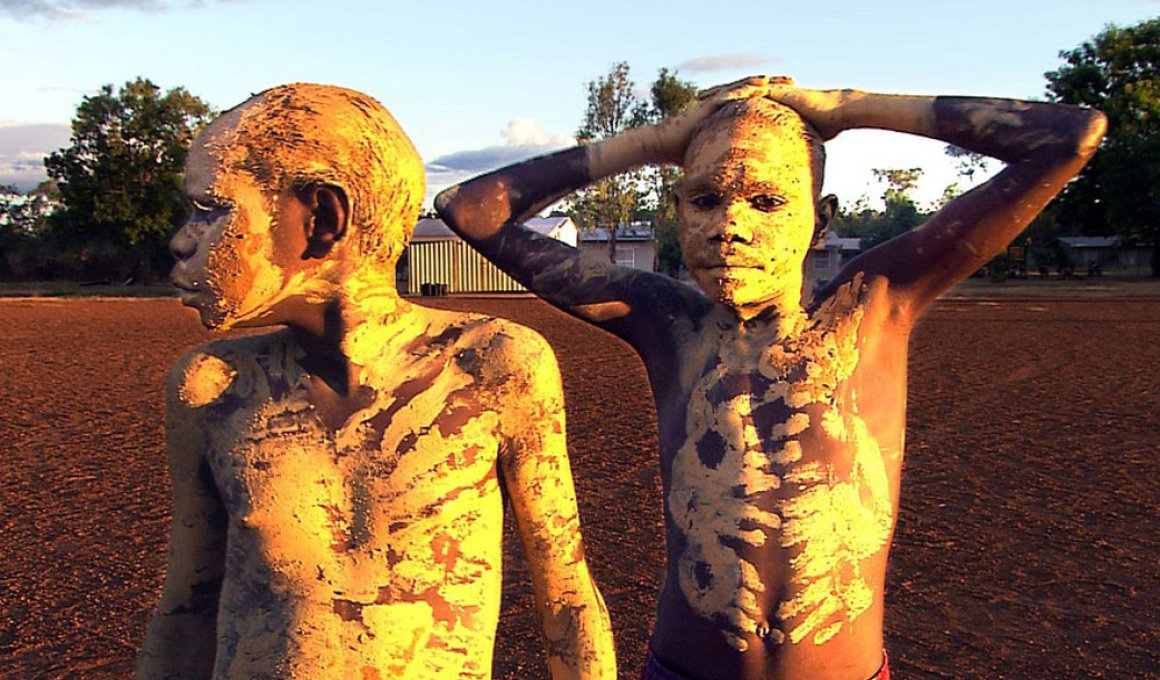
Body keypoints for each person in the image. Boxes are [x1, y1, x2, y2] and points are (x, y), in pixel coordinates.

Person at [435, 78, 1105, 680]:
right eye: (704, 200)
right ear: (678, 213)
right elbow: (469, 209)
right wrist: (659, 139)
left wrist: (848, 108)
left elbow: (1070, 138)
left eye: (766, 201)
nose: (730, 227)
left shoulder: (872, 304)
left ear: (824, 219)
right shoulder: (665, 322)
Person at [137, 83, 615, 680]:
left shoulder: (493, 366)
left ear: (322, 216)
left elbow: (567, 602)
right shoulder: (211, 388)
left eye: (212, 209)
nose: (183, 239)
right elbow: (186, 610)